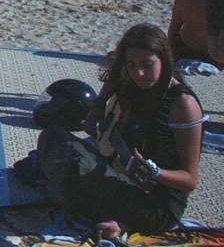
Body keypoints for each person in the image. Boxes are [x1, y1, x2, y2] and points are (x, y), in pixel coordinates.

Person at [36, 24, 204, 240]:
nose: (139, 73)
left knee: (75, 165)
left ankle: (110, 217)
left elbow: (190, 180)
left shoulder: (183, 105)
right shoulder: (135, 82)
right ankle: (88, 203)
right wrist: (98, 107)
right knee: (53, 135)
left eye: (147, 64)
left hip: (156, 205)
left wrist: (154, 172)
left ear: (164, 59)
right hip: (124, 176)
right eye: (132, 65)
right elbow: (115, 77)